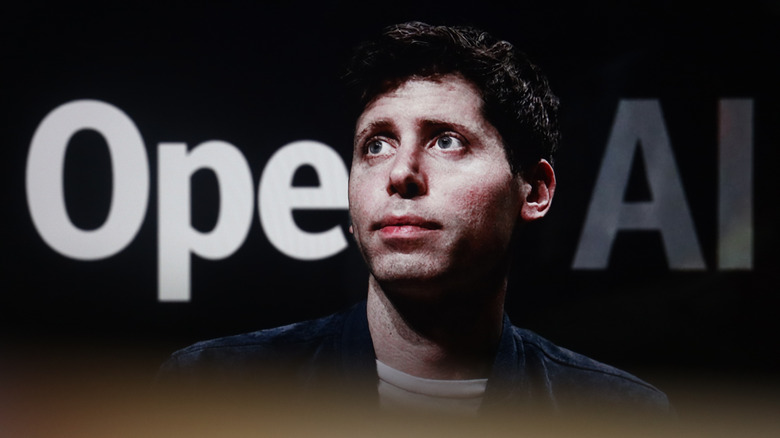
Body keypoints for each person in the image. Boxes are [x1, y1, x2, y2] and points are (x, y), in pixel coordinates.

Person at [160, 21, 670, 417]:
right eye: (376, 145)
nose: (401, 173)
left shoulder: (620, 413)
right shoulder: (211, 387)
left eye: (447, 140)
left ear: (534, 190)